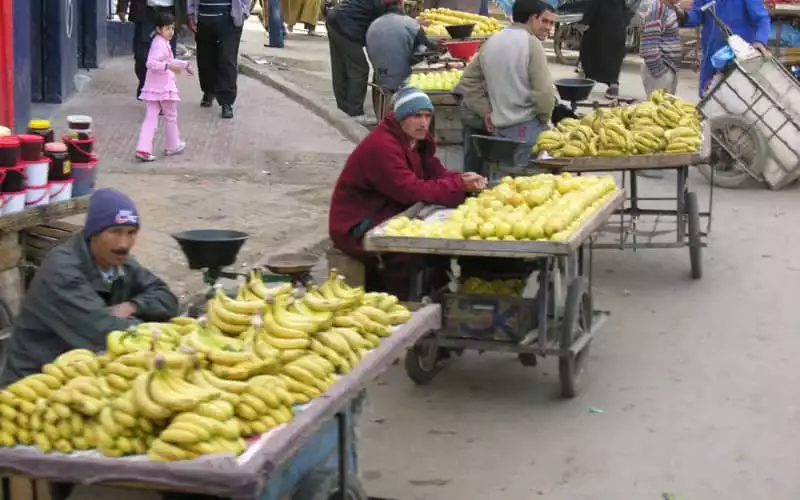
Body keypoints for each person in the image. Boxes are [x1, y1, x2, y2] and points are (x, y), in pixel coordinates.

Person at [0, 189, 179, 387]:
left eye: (131, 233)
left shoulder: (120, 262)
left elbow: (167, 298)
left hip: (80, 374)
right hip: (34, 383)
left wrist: (133, 305)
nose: (123, 243)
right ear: (93, 234)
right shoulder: (62, 271)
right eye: (114, 232)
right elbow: (105, 332)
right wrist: (166, 335)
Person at [328, 87, 487, 298]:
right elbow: (409, 189)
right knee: (406, 255)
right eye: (416, 116)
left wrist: (462, 179)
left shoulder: (415, 140)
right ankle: (400, 302)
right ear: (401, 118)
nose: (423, 123)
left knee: (436, 249)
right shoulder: (382, 146)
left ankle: (436, 296)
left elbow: (435, 172)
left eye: (427, 116)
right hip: (359, 223)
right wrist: (458, 186)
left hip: (391, 208)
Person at [459, 0, 557, 169]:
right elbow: (544, 93)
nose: (549, 27)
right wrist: (544, 119)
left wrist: (486, 112)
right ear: (533, 18)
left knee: (504, 184)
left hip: (499, 129)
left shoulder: (492, 40)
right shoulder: (531, 43)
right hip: (527, 128)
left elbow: (468, 81)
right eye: (545, 21)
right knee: (527, 184)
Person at [663, 0, 770, 97]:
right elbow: (698, 14)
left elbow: (762, 18)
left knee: (738, 95)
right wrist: (684, 16)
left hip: (738, 55)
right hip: (712, 55)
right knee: (708, 95)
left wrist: (760, 41)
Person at [325, 0, 403, 123]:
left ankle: (343, 109)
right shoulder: (385, 7)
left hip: (335, 18)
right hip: (346, 25)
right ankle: (355, 113)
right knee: (359, 69)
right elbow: (385, 25)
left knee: (340, 67)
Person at [135, 13, 194, 162]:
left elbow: (169, 60)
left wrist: (184, 65)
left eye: (172, 28)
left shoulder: (160, 42)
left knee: (151, 117)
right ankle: (172, 144)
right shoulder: (159, 44)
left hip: (153, 87)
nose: (171, 32)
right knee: (170, 115)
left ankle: (143, 148)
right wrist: (169, 66)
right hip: (163, 87)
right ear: (158, 29)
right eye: (167, 28)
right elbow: (151, 63)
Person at [365, 4, 438, 114]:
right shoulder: (410, 23)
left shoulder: (373, 24)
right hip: (400, 79)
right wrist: (438, 46)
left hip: (379, 76)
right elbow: (427, 45)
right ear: (401, 5)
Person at [187, 0, 250, 118]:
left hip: (229, 18)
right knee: (205, 58)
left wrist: (244, 11)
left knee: (227, 59)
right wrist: (191, 13)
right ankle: (209, 91)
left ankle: (227, 102)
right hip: (204, 17)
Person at [117, 0, 186, 99]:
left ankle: (161, 95)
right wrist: (122, 7)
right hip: (145, 12)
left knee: (167, 56)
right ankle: (146, 84)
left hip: (169, 12)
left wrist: (183, 18)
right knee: (141, 55)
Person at [579, 0, 631, 99]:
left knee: (590, 52)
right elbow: (626, 10)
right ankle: (613, 85)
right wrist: (624, 23)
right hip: (618, 28)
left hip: (600, 28)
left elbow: (592, 6)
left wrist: (585, 22)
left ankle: (585, 82)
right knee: (614, 58)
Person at [640, 0, 681, 96]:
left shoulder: (669, 8)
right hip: (660, 71)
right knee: (658, 108)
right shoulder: (658, 10)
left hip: (668, 68)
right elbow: (649, 46)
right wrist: (661, 73)